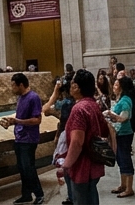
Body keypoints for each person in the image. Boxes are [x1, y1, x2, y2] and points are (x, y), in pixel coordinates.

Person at [56, 69, 104, 205]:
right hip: (93, 162)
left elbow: (77, 142)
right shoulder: (93, 104)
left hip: (81, 166)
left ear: (76, 87)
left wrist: (65, 166)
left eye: (72, 83)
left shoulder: (79, 109)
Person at [0, 71, 44, 205]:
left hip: (29, 139)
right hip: (19, 137)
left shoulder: (33, 97)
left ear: (21, 85)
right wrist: (11, 122)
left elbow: (37, 120)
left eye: (13, 86)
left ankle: (39, 193)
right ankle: (26, 194)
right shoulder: (20, 98)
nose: (12, 88)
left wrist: (17, 121)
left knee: (28, 167)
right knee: (22, 168)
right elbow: (20, 118)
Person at [104, 75, 135, 198]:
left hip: (124, 133)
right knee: (120, 158)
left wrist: (110, 113)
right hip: (118, 133)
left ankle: (129, 188)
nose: (114, 87)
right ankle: (123, 185)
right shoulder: (121, 99)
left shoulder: (125, 100)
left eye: (117, 85)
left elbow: (123, 118)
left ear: (122, 88)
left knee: (125, 158)